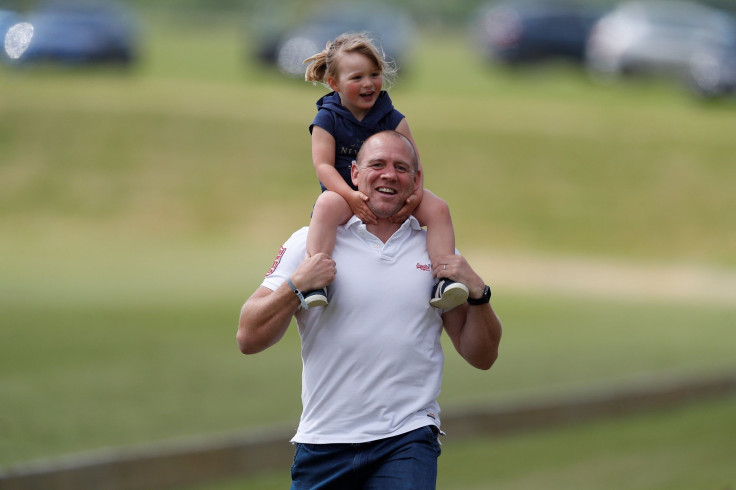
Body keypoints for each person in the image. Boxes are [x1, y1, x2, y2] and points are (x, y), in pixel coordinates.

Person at [238, 130, 502, 489]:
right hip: (324, 440)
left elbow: (481, 356)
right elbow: (248, 336)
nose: (389, 174)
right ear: (355, 175)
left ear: (416, 180)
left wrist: (479, 294)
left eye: (401, 167)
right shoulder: (311, 241)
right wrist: (296, 285)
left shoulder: (437, 251)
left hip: (407, 436)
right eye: (377, 164)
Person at [300, 32, 469, 310]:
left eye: (374, 74)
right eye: (356, 78)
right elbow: (323, 166)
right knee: (326, 204)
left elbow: (414, 163)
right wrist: (350, 196)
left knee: (438, 208)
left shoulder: (392, 117)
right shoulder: (326, 118)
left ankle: (444, 277)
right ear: (334, 83)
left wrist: (414, 196)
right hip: (346, 195)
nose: (368, 84)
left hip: (391, 195)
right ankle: (316, 278)